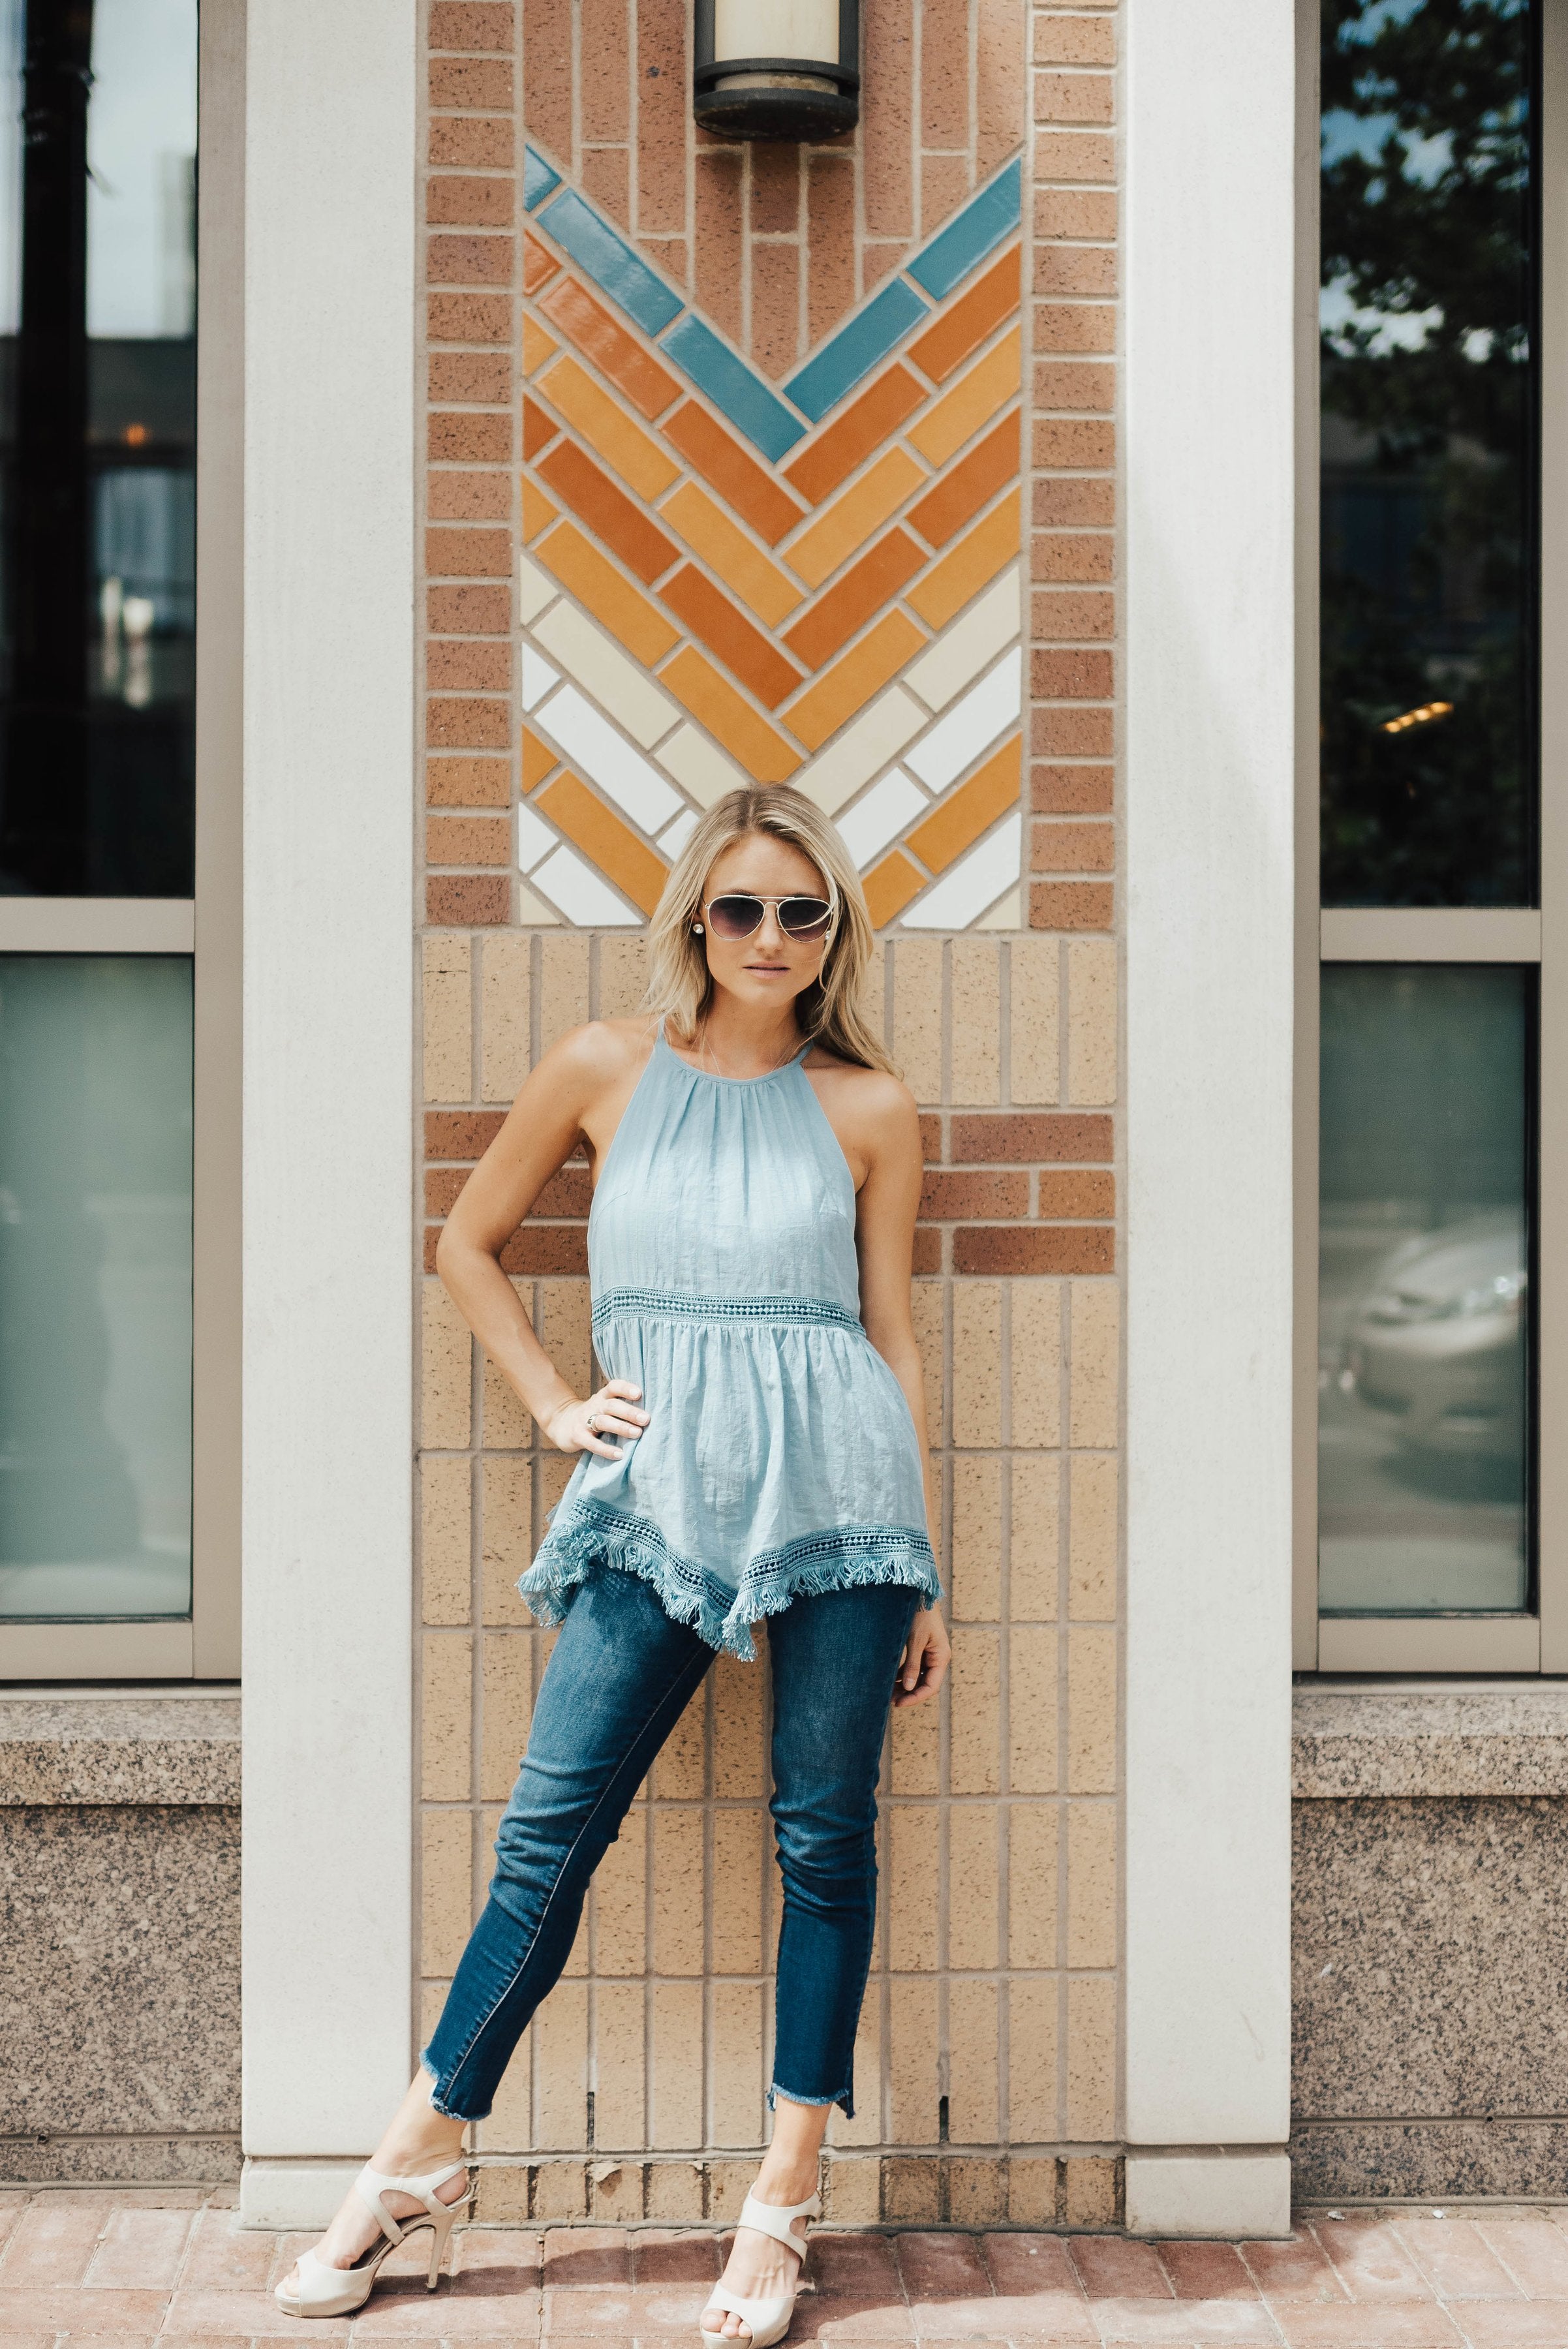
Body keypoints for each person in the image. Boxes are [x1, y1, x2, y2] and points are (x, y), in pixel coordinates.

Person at [276, 784, 950, 2344]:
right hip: (652, 1499)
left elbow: (892, 1335)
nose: (770, 937)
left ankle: (781, 2196)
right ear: (693, 919)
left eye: (803, 911)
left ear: (831, 929)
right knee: (546, 1834)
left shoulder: (869, 1105)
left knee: (822, 1842)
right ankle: (420, 2151)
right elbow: (464, 1243)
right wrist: (554, 1404)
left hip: (842, 1502)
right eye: (741, 909)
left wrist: (927, 1569)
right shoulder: (600, 1067)